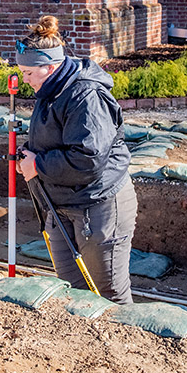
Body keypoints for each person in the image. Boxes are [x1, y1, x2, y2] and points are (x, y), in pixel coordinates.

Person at [15, 15, 136, 303]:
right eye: (22, 72)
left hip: (98, 204)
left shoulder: (86, 95)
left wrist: (38, 165)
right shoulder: (51, 88)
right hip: (60, 204)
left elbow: (87, 159)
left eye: (29, 73)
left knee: (108, 295)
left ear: (50, 66)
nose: (24, 80)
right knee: (72, 293)